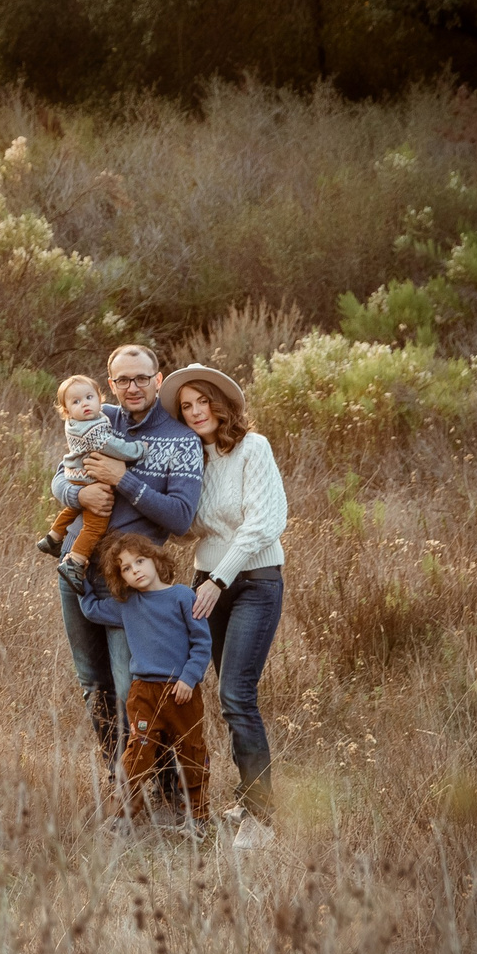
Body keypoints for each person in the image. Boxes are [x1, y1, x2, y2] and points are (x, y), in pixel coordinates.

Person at [52, 345, 203, 784]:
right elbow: (60, 477)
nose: (132, 387)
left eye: (141, 378)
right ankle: (122, 782)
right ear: (110, 382)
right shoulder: (98, 418)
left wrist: (124, 479)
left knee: (129, 688)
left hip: (130, 582)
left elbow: (179, 516)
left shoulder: (180, 439)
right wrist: (78, 495)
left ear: (159, 380)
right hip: (77, 568)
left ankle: (165, 789)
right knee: (92, 683)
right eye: (123, 380)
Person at [165, 363, 288, 851]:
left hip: (253, 582)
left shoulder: (253, 448)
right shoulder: (195, 459)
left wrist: (219, 577)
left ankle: (262, 817)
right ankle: (246, 797)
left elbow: (262, 524)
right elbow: (187, 526)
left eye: (203, 402)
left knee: (238, 693)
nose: (196, 413)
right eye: (187, 407)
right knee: (223, 696)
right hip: (207, 582)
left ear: (222, 404)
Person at [78, 532, 212, 834]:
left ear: (155, 559)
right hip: (143, 694)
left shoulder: (182, 596)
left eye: (139, 561)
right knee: (136, 753)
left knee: (191, 752)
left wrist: (189, 679)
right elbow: (91, 609)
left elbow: (202, 644)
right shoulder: (127, 605)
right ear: (121, 577)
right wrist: (80, 578)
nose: (135, 569)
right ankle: (123, 817)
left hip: (182, 693)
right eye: (125, 568)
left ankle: (197, 818)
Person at [35, 373, 148, 595]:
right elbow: (113, 446)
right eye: (76, 402)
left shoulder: (82, 421)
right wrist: (139, 450)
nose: (84, 404)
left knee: (77, 506)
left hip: (77, 473)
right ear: (66, 411)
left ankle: (53, 537)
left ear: (99, 398)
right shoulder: (90, 429)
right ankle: (74, 562)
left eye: (89, 397)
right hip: (89, 477)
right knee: (96, 522)